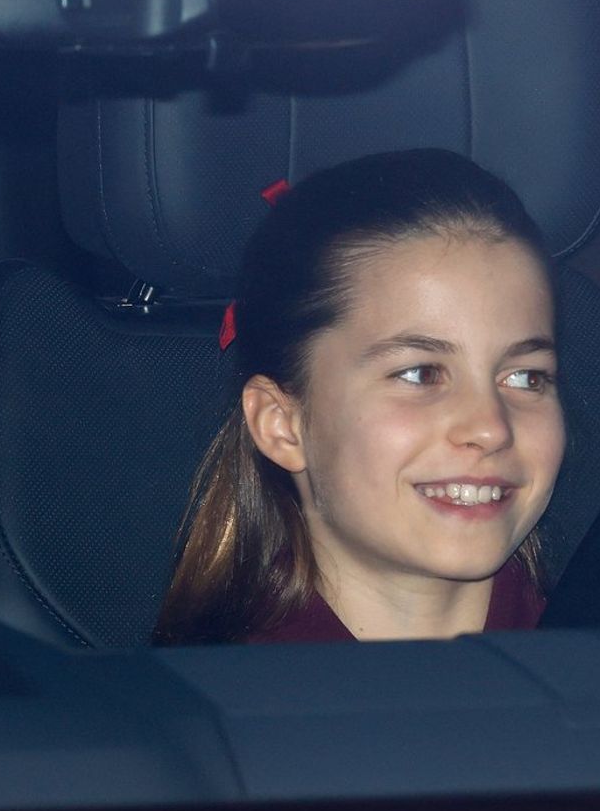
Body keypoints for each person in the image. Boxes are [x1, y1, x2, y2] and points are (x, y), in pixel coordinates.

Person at [154, 148, 564, 645]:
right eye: (420, 373)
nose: (490, 428)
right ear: (282, 424)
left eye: (525, 378)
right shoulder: (210, 707)